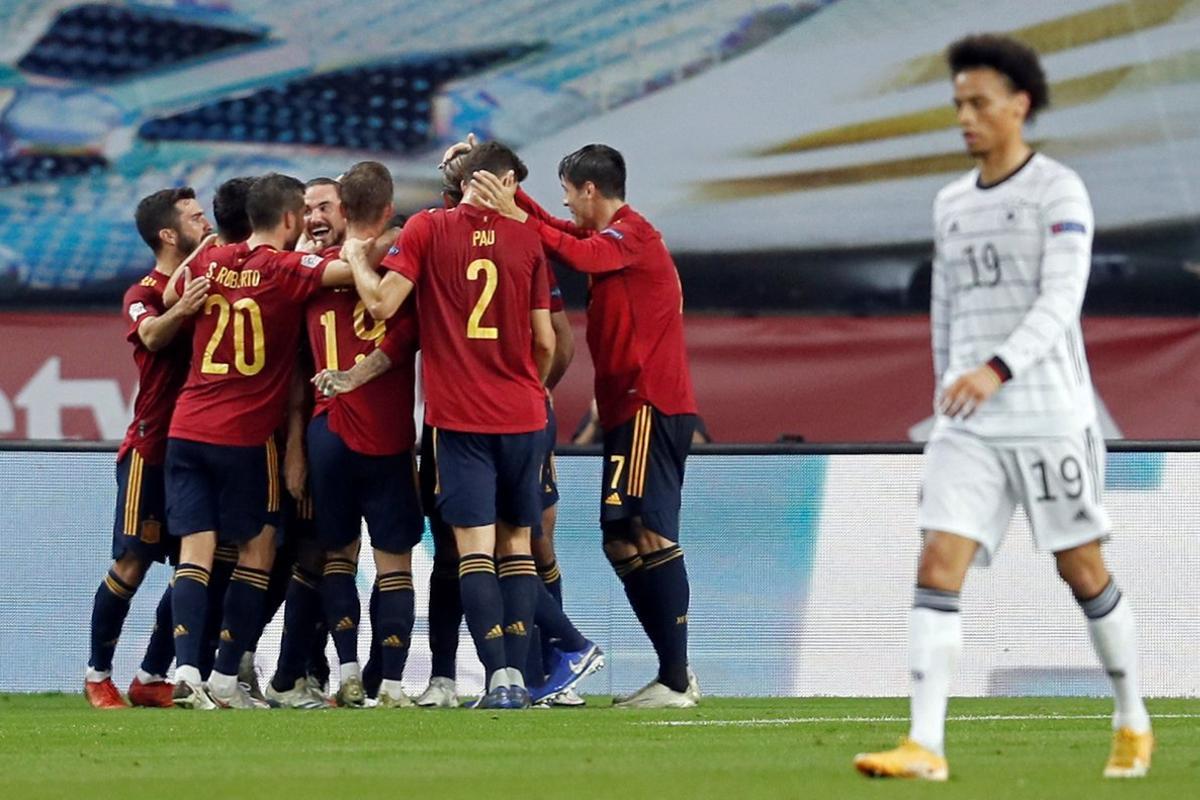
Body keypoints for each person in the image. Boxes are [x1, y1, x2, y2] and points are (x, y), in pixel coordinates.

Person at [852, 34, 1152, 781]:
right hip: (971, 422)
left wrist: (996, 367)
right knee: (937, 559)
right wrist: (949, 385)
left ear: (1019, 106)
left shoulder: (1058, 190)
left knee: (1081, 569)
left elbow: (1062, 299)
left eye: (978, 103)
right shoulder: (951, 202)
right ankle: (925, 745)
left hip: (1049, 413)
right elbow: (946, 308)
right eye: (957, 103)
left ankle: (1132, 716)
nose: (965, 117)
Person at [472, 142, 699, 708]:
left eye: (569, 191)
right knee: (619, 540)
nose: (565, 202)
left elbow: (580, 256)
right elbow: (558, 232)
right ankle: (672, 672)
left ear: (590, 189)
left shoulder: (634, 234)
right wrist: (506, 189)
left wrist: (515, 212)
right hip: (625, 407)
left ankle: (676, 678)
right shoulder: (608, 237)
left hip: (651, 403)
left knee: (648, 532)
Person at [344, 141, 556, 709]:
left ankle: (499, 681)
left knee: (473, 553)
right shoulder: (529, 236)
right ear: (501, 180)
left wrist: (360, 260)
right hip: (523, 415)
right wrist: (524, 389)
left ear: (459, 181)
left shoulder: (427, 230)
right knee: (518, 550)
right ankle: (517, 674)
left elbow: (385, 307)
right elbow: (546, 341)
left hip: (460, 419)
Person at [164, 173, 356, 709]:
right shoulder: (286, 269)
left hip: (187, 428)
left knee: (195, 556)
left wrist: (203, 253)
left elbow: (174, 291)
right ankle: (226, 677)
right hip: (243, 436)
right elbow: (352, 272)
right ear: (291, 219)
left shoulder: (210, 262)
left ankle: (186, 671)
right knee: (260, 549)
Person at [294, 161, 423, 709]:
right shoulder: (401, 268)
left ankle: (347, 671)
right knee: (394, 560)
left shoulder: (306, 270)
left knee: (338, 556)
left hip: (328, 433)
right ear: (387, 209)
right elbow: (402, 343)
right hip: (388, 434)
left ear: (343, 212)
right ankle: (391, 684)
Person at [84, 187, 212, 709]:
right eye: (195, 217)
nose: (204, 224)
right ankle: (96, 674)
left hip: (198, 446)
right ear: (168, 234)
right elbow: (155, 337)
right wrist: (183, 306)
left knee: (195, 566)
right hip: (150, 447)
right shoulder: (143, 291)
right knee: (133, 562)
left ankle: (151, 674)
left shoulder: (212, 278)